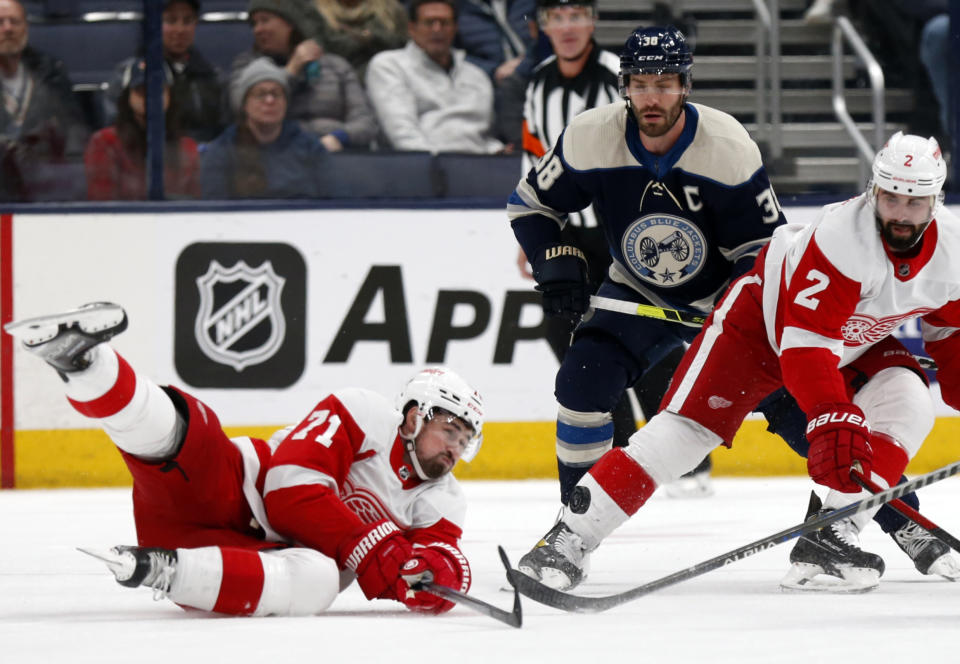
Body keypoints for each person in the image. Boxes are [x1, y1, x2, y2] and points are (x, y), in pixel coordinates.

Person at [516, 130, 960, 593]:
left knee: (909, 402)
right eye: (891, 198)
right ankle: (568, 540)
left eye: (915, 202)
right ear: (874, 190)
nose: (901, 213)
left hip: (852, 340)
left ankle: (831, 534)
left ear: (936, 201)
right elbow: (806, 349)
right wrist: (831, 411)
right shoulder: (841, 238)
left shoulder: (954, 251)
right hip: (760, 331)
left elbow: (951, 335)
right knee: (683, 436)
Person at [3, 302, 484, 616]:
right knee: (186, 429)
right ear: (415, 417)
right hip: (231, 486)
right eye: (449, 431)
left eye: (464, 441)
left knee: (319, 582)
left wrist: (438, 575)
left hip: (231, 559)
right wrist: (378, 549)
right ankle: (86, 364)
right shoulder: (363, 413)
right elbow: (287, 492)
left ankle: (164, 570)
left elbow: (439, 554)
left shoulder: (443, 498)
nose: (454, 449)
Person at [508, 25, 777, 522]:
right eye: (640, 82)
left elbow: (763, 250)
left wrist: (735, 313)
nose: (652, 96)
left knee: (805, 411)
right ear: (624, 86)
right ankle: (573, 532)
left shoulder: (728, 146)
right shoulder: (590, 136)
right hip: (636, 292)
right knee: (580, 385)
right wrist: (555, 259)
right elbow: (530, 207)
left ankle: (871, 528)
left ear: (686, 86)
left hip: (726, 301)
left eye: (665, 82)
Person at [516, 3, 706, 497]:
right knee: (569, 339)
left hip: (620, 233)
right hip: (568, 238)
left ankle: (681, 453)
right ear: (543, 27)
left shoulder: (617, 76)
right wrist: (538, 236)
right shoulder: (537, 81)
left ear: (592, 21)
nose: (567, 28)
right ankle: (614, 453)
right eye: (556, 18)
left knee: (644, 336)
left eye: (576, 15)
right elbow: (534, 152)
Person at [230, 0, 377, 152]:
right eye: (254, 24)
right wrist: (292, 69)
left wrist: (339, 137)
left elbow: (365, 121)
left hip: (336, 155)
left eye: (265, 20)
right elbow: (238, 108)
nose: (257, 30)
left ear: (292, 23)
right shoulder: (247, 65)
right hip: (278, 154)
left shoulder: (336, 66)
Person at [365, 0, 506, 153]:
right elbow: (403, 136)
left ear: (455, 28)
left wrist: (497, 150)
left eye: (444, 23)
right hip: (421, 167)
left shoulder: (476, 75)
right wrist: (439, 166)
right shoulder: (389, 66)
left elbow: (484, 136)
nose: (437, 29)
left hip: (479, 165)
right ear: (412, 28)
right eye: (429, 22)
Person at [201, 56, 331, 198]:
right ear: (244, 104)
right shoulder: (222, 150)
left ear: (286, 103)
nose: (269, 101)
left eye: (276, 94)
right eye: (260, 94)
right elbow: (214, 211)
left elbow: (328, 201)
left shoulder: (310, 148)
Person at [0, 0, 90, 201]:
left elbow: (74, 129)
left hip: (42, 186)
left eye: (14, 22)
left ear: (26, 27)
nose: (8, 29)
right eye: (0, 22)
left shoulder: (51, 73)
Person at [104, 0, 226, 143]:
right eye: (171, 20)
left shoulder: (213, 76)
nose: (180, 30)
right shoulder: (127, 74)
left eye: (187, 21)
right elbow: (116, 129)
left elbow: (223, 134)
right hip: (144, 157)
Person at [84, 58, 200, 201]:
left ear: (170, 96)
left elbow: (194, 205)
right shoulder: (104, 142)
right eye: (141, 91)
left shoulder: (187, 147)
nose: (149, 98)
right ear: (128, 97)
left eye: (158, 90)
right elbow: (103, 205)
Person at [311, 0, 408, 82]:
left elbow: (405, 43)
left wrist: (371, 38)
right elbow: (326, 52)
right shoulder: (319, 14)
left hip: (396, 74)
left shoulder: (388, 8)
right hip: (347, 81)